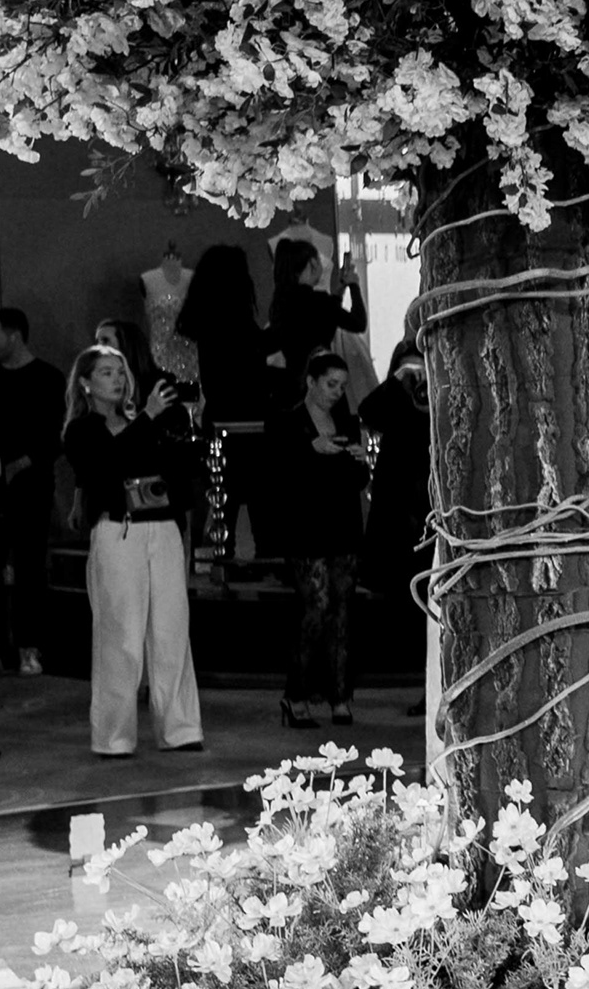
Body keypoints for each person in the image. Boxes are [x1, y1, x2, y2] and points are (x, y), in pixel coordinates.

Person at [65, 345, 205, 758]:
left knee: (172, 630)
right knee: (120, 634)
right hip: (118, 530)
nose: (117, 379)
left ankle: (180, 728)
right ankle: (114, 736)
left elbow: (175, 471)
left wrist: (188, 427)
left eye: (120, 371)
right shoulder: (82, 430)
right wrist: (148, 417)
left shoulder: (143, 422)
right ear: (85, 383)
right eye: (106, 372)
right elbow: (106, 465)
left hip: (161, 528)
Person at [276, 351, 371, 728]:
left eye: (342, 386)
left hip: (342, 525)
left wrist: (359, 460)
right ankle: (296, 694)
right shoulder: (289, 422)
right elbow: (278, 476)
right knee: (315, 606)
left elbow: (358, 480)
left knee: (342, 611)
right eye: (331, 384)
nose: (337, 392)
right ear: (311, 381)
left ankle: (340, 696)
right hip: (306, 527)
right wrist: (310, 451)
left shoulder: (346, 422)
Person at [0, 306, 67, 676]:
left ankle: (31, 645)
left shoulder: (49, 378)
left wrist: (22, 464)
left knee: (30, 567)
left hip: (32, 487)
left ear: (14, 336)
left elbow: (56, 434)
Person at [358, 340, 431, 668]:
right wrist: (398, 379)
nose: (417, 376)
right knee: (396, 587)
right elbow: (368, 411)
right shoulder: (394, 398)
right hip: (396, 505)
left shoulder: (439, 396)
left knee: (425, 586)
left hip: (427, 506)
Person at [178, 243, 276, 426]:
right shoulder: (232, 323)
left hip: (220, 413)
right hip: (241, 417)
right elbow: (253, 356)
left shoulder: (210, 320)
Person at [266, 236, 366, 405]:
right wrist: (354, 286)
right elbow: (358, 323)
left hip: (292, 384)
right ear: (312, 264)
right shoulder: (320, 302)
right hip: (322, 383)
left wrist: (338, 293)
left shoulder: (281, 302)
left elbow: (320, 316)